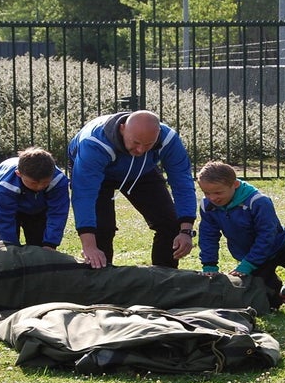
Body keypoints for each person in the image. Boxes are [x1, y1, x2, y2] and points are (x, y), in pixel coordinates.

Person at [66, 110, 196, 268]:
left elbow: (182, 181)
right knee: (102, 229)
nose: (140, 150)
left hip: (142, 170)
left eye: (148, 145)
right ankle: (101, 277)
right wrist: (89, 246)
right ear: (122, 129)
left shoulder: (168, 139)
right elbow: (84, 195)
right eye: (136, 143)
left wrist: (186, 230)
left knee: (170, 223)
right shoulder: (94, 143)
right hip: (98, 172)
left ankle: (164, 278)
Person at [196, 161, 285, 315]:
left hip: (281, 245)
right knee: (270, 304)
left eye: (218, 193)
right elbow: (208, 235)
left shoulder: (258, 201)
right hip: (249, 254)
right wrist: (209, 264)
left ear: (235, 184)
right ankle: (276, 296)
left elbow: (267, 235)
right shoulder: (207, 206)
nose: (212, 198)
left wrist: (249, 264)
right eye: (206, 193)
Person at [0, 147, 70, 249]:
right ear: (19, 174)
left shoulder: (58, 181)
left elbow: (58, 213)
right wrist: (10, 248)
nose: (40, 187)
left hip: (38, 208)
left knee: (39, 245)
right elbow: (4, 220)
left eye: (45, 182)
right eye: (33, 183)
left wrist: (50, 244)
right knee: (6, 246)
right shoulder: (5, 187)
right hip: (2, 203)